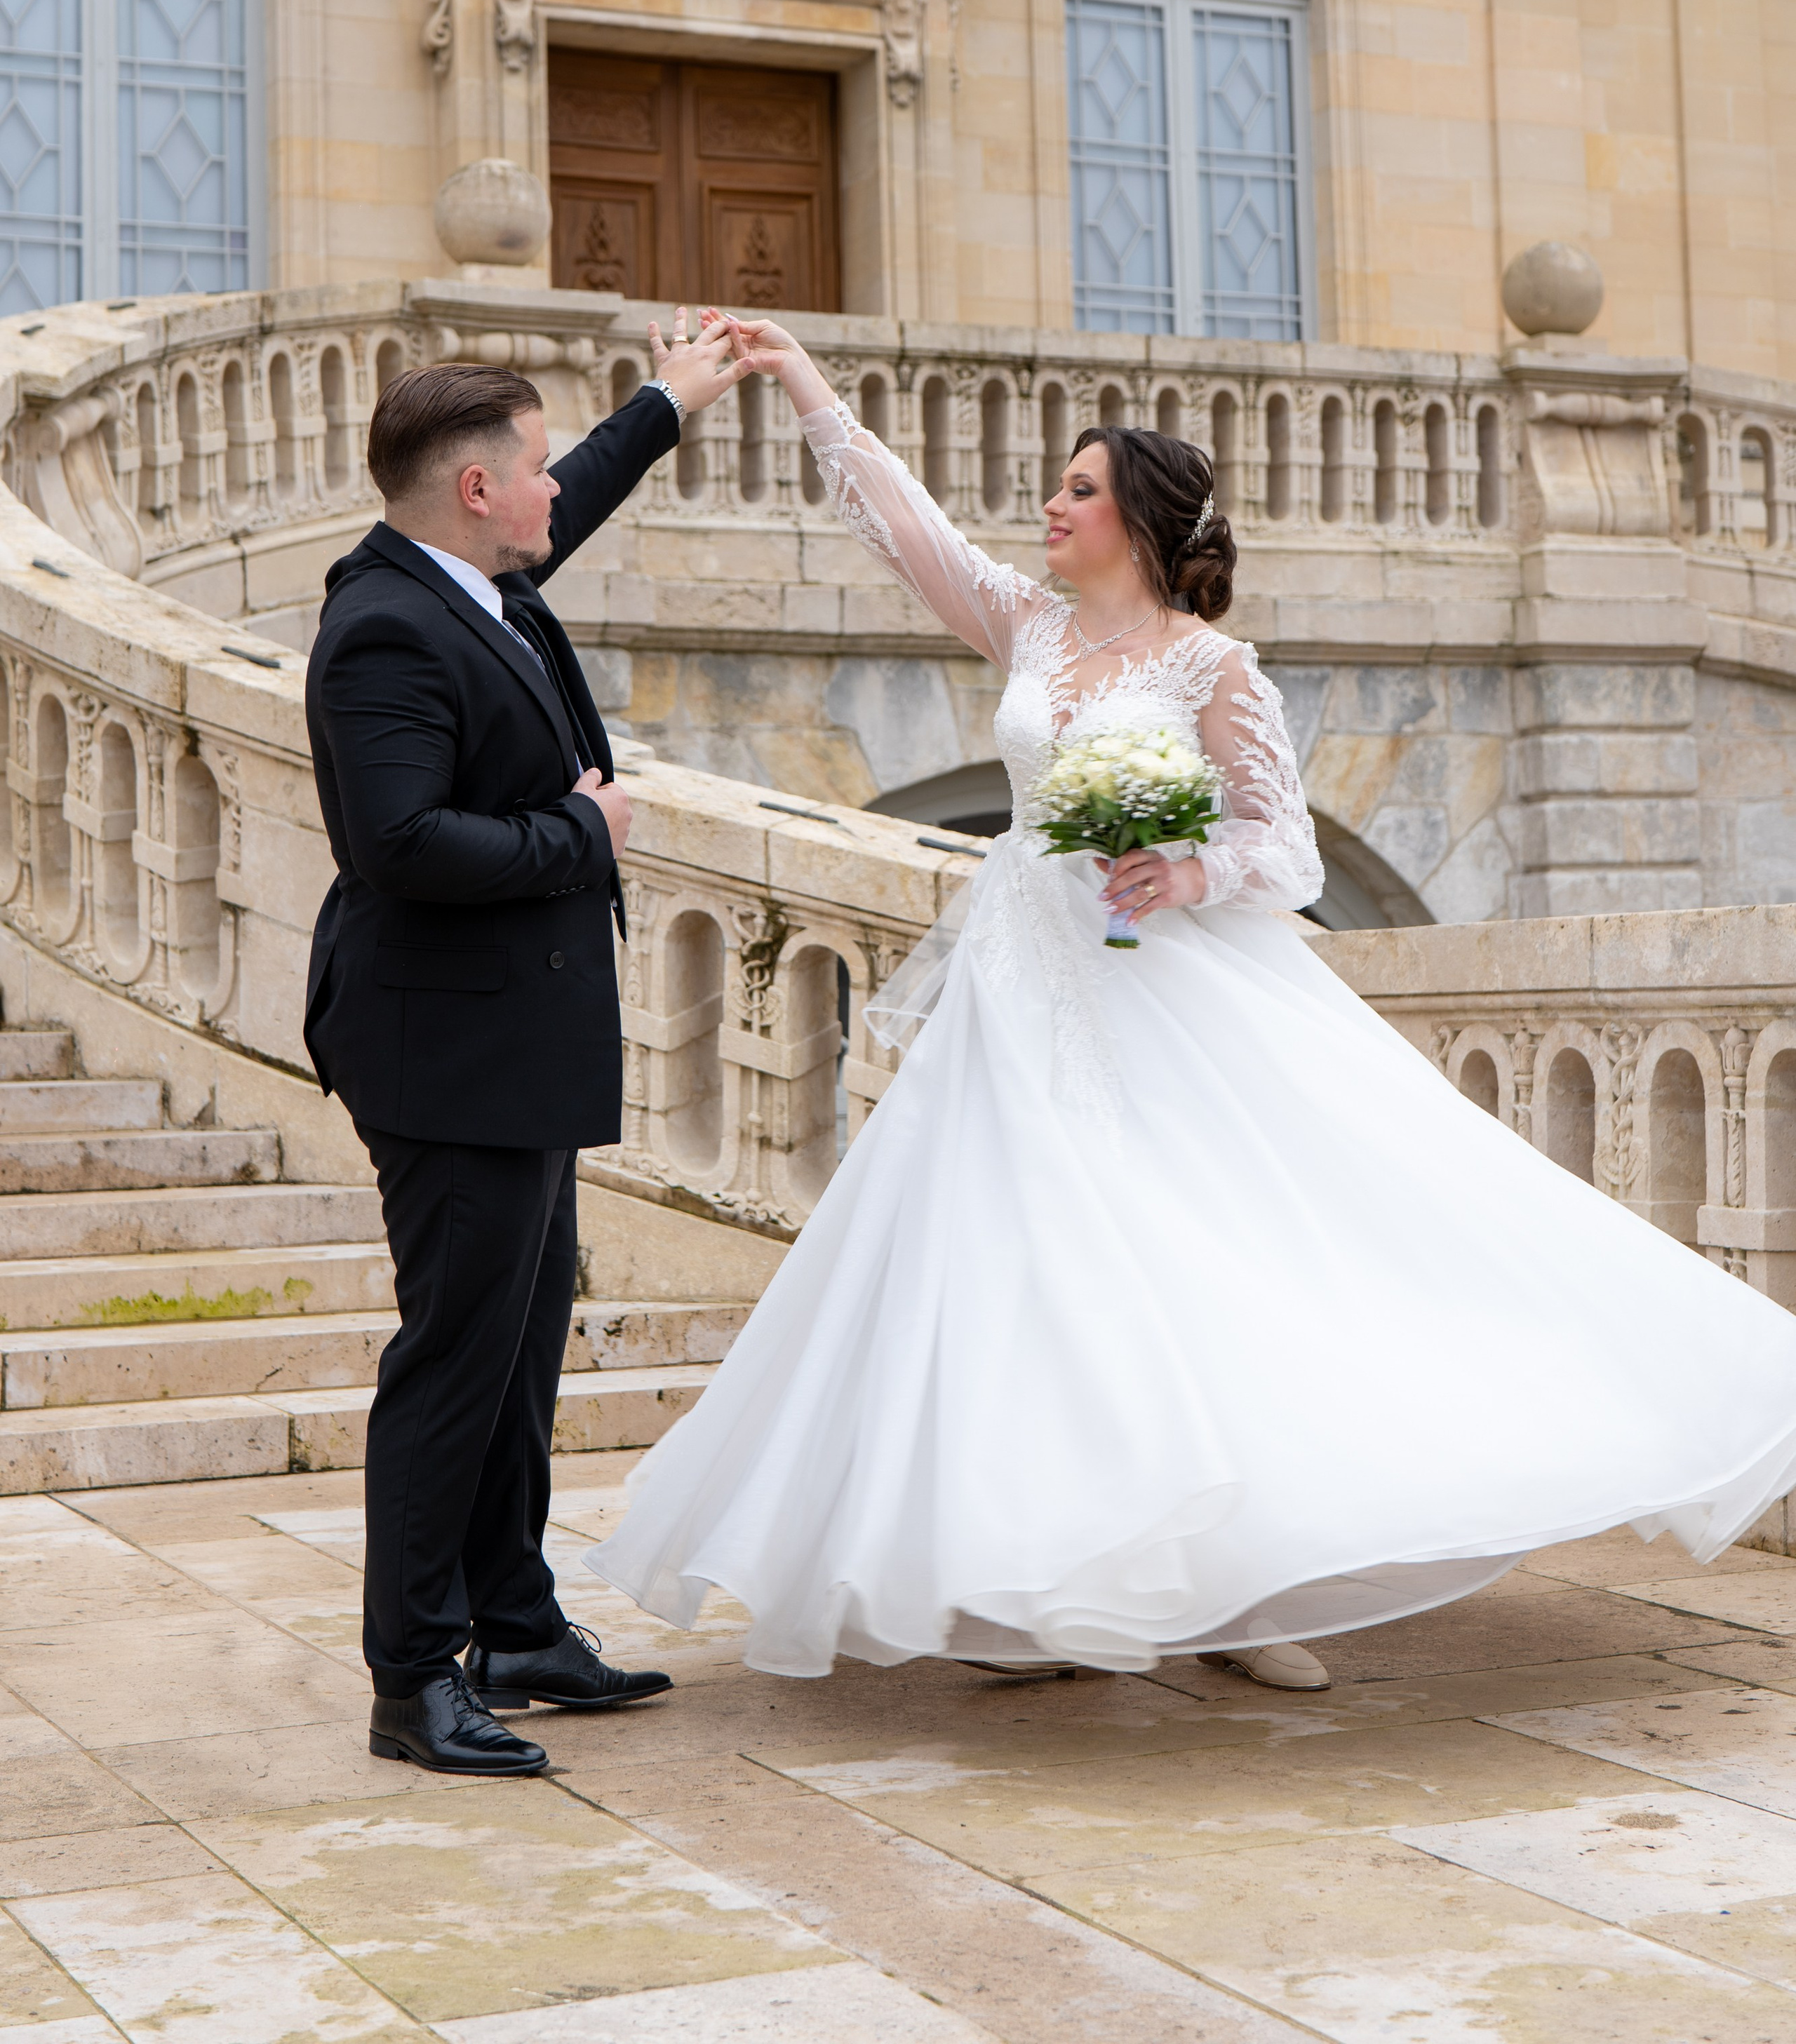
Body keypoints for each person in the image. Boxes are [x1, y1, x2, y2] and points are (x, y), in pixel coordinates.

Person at [589, 317, 1796, 1692]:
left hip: (1155, 995)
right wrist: (799, 380)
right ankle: (1055, 1595)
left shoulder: (1211, 668)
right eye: (1055, 487)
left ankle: (1240, 1591)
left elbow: (1281, 849)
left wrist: (1185, 865)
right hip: (1019, 987)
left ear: (1143, 524)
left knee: (1188, 1263)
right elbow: (894, 521)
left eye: (1079, 489)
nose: (1049, 504)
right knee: (1025, 1279)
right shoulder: (1028, 627)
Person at [304, 316, 749, 1773]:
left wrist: (669, 399)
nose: (556, 488)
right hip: (447, 1055)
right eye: (536, 469)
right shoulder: (383, 623)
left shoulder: (470, 582)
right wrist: (582, 830)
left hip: (516, 1048)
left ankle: (516, 1622)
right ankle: (413, 1678)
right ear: (476, 490)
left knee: (519, 1348)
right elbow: (396, 843)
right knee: (456, 1360)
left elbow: (586, 488)